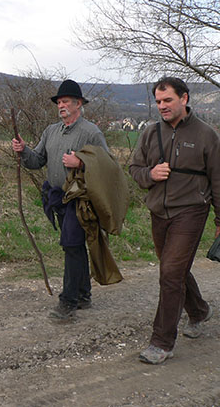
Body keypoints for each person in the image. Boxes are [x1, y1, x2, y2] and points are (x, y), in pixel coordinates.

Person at [130, 76, 220, 365]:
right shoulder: (149, 133)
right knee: (174, 270)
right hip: (159, 211)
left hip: (192, 211)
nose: (162, 106)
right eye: (158, 101)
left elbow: (218, 179)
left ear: (184, 98)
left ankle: (162, 342)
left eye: (167, 100)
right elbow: (133, 167)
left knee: (169, 273)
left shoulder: (207, 135)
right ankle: (198, 310)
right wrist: (149, 175)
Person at [12, 79, 109, 319]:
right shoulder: (51, 131)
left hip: (80, 199)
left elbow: (108, 165)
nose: (61, 105)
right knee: (74, 246)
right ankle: (84, 295)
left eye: (65, 101)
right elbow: (36, 161)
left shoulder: (91, 132)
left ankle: (68, 302)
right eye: (59, 101)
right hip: (58, 199)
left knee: (71, 245)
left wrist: (82, 162)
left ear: (78, 104)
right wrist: (24, 150)